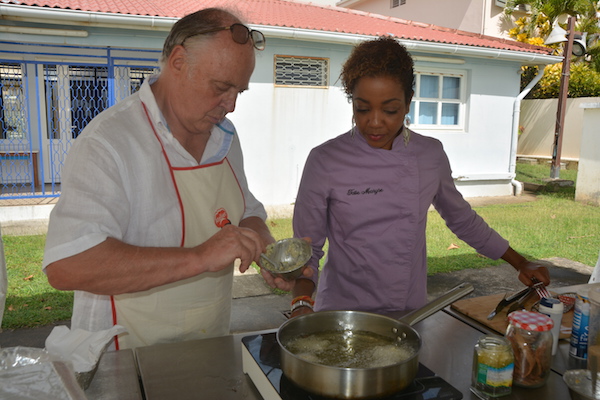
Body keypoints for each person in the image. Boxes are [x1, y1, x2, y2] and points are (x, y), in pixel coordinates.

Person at [42, 8, 305, 349]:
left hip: (206, 347)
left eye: (239, 91)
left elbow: (247, 212)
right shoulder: (109, 142)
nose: (231, 105)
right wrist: (200, 257)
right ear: (179, 61)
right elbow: (68, 265)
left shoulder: (225, 136)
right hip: (125, 359)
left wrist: (268, 252)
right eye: (221, 87)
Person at [289, 36, 550, 317]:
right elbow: (307, 248)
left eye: (390, 110)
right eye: (362, 108)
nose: (375, 122)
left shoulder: (429, 154)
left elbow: (461, 219)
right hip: (341, 310)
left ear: (409, 101)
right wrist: (301, 302)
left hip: (408, 311)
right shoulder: (325, 160)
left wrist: (520, 262)